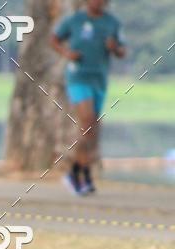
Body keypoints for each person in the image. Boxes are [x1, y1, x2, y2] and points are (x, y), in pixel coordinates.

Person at [51, 0, 126, 195]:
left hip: (99, 80)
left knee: (92, 130)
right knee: (86, 122)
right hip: (78, 78)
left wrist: (114, 48)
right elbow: (54, 39)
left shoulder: (112, 23)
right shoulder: (75, 20)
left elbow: (122, 51)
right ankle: (78, 175)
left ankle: (80, 172)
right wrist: (67, 54)